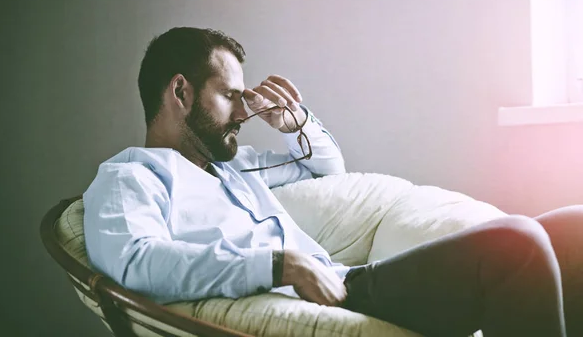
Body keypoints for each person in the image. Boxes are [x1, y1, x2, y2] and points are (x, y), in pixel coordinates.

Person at [83, 27, 582, 337]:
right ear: (180, 92)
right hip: (335, 297)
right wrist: (280, 264)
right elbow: (136, 262)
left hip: (350, 281)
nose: (244, 113)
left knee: (573, 230)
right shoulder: (130, 178)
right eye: (230, 97)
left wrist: (297, 124)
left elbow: (326, 168)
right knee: (516, 243)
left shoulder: (232, 172)